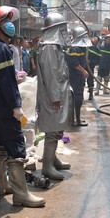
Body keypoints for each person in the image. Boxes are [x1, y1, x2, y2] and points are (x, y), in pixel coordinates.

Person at [0, 6, 45, 207]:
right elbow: (6, 83)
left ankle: (1, 186)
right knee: (17, 146)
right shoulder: (2, 49)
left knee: (0, 145)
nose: (9, 26)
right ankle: (20, 194)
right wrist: (16, 106)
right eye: (3, 23)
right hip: (6, 107)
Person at [36, 12, 72, 181]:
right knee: (52, 130)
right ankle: (47, 166)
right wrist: (55, 97)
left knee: (57, 128)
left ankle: (53, 159)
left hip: (58, 93)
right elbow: (50, 74)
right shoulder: (49, 47)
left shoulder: (54, 46)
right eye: (62, 29)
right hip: (53, 96)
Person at [66, 26, 91, 126]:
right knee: (77, 98)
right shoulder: (75, 48)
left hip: (79, 77)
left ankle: (77, 119)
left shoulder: (80, 48)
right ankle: (76, 120)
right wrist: (84, 71)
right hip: (75, 77)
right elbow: (74, 62)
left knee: (78, 99)